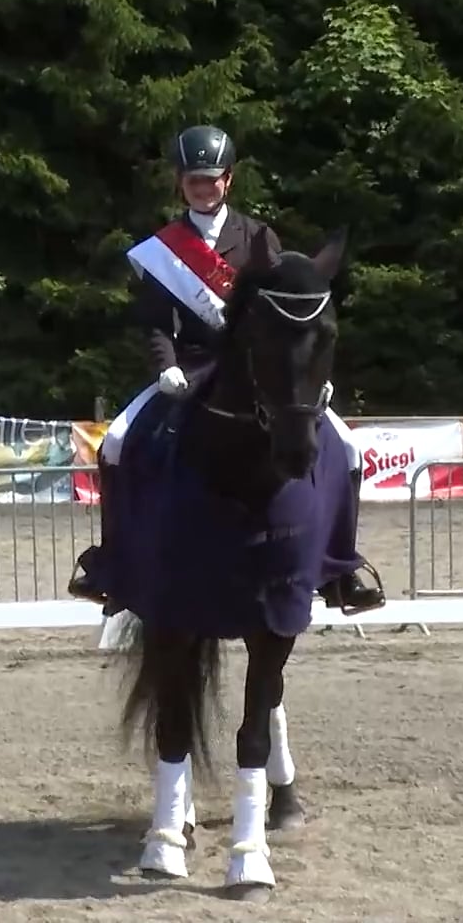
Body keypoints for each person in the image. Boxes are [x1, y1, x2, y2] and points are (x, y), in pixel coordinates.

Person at [66, 124, 383, 613]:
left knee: (347, 447)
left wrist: (304, 368)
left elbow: (287, 313)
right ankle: (111, 564)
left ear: (228, 180)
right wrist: (164, 365)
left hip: (263, 368)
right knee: (117, 440)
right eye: (194, 179)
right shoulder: (163, 249)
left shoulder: (259, 237)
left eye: (211, 179)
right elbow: (155, 321)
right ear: (180, 182)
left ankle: (340, 568)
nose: (203, 187)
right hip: (190, 367)